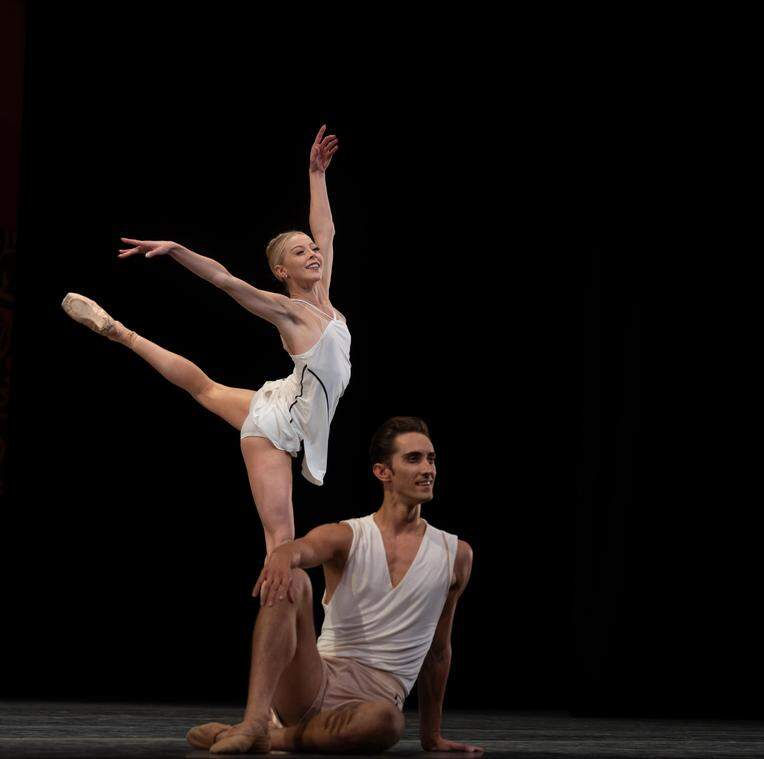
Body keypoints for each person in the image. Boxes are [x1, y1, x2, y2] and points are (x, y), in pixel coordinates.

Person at [62, 126, 346, 553]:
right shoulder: (288, 311)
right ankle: (124, 334)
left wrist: (317, 174)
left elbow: (325, 230)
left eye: (311, 249)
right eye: (299, 252)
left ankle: (123, 333)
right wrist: (176, 249)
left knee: (206, 387)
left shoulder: (326, 297)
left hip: (288, 399)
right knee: (281, 545)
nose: (312, 252)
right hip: (277, 427)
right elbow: (223, 279)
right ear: (282, 272)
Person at [188, 417, 482, 754]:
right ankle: (255, 720)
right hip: (314, 681)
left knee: (388, 722)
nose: (428, 468)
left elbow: (438, 652)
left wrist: (432, 737)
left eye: (431, 459)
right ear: (382, 472)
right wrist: (284, 554)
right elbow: (303, 549)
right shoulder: (347, 535)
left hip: (369, 708)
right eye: (413, 459)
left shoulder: (455, 554)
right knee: (293, 578)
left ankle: (271, 737)